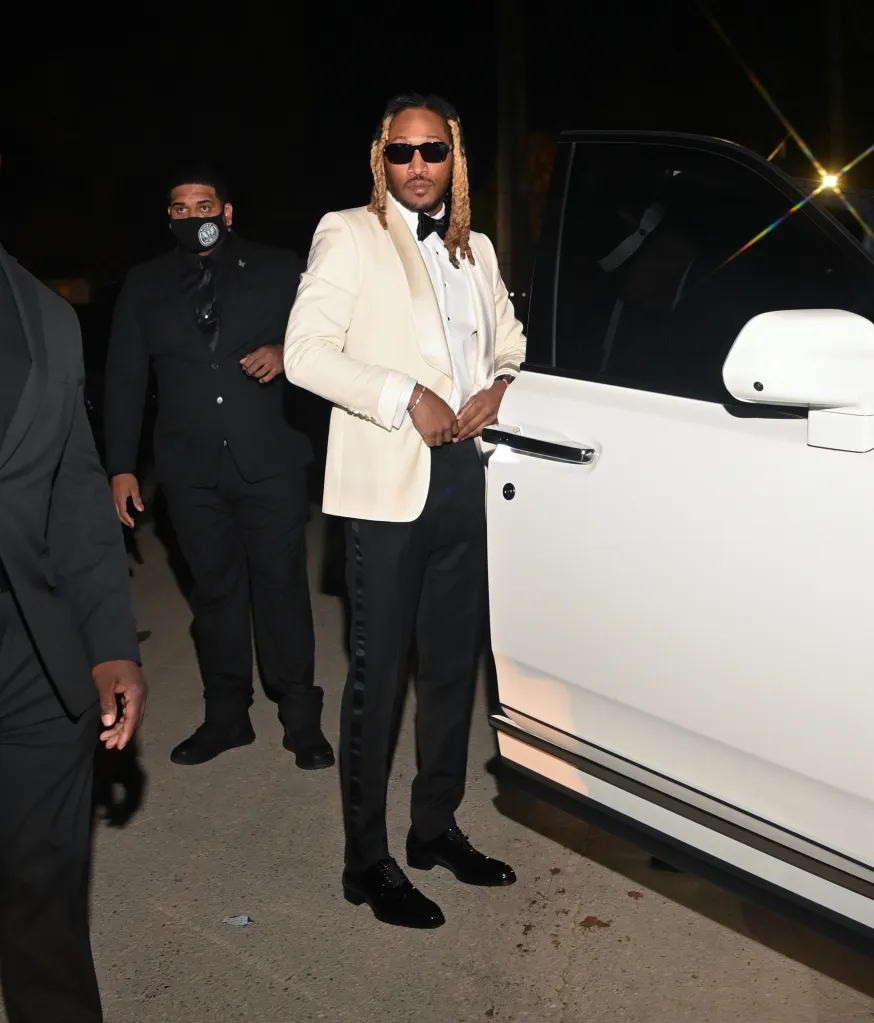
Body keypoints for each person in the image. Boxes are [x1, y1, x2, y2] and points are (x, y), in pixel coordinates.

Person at [285, 93, 526, 928]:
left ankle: (434, 828)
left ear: (453, 157)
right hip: (388, 493)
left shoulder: (478, 250)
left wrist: (499, 385)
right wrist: (405, 394)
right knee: (378, 681)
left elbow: (511, 341)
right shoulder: (347, 233)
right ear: (379, 156)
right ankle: (367, 861)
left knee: (454, 674)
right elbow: (305, 354)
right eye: (402, 152)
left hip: (466, 481)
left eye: (432, 152)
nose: (417, 167)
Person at [103, 166, 332, 770]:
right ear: (169, 218)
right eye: (179, 208)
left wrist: (288, 354)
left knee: (282, 587)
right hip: (189, 468)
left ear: (226, 212)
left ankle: (300, 718)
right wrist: (121, 466)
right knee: (215, 594)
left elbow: (330, 334)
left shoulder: (281, 268)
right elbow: (127, 377)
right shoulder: (145, 284)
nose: (192, 216)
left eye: (203, 205)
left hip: (270, 457)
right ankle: (227, 716)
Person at [0, 241, 147, 1021]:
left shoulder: (47, 317)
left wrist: (110, 642)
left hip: (32, 657)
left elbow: (75, 491)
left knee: (45, 906)